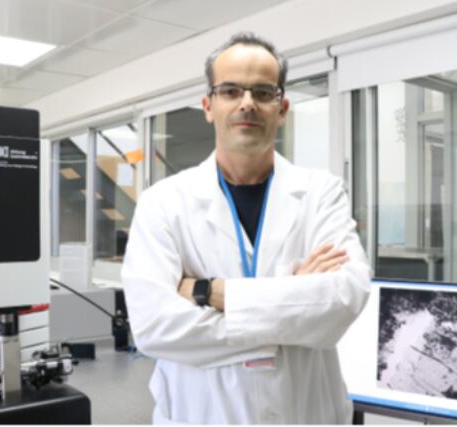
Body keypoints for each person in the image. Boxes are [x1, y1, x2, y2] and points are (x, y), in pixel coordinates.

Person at [122, 32, 371, 424]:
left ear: (281, 108)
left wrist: (209, 292)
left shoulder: (322, 193)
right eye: (230, 90)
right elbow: (154, 326)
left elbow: (343, 300)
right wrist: (293, 309)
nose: (247, 103)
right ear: (208, 106)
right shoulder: (163, 203)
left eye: (263, 92)